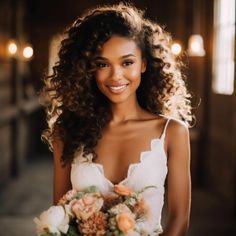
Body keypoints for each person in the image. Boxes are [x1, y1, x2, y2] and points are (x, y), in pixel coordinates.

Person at [41, 3, 192, 235]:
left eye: (127, 62)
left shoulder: (172, 132)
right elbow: (59, 217)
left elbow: (180, 219)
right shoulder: (67, 131)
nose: (115, 76)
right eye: (102, 64)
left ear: (143, 63)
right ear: (89, 69)